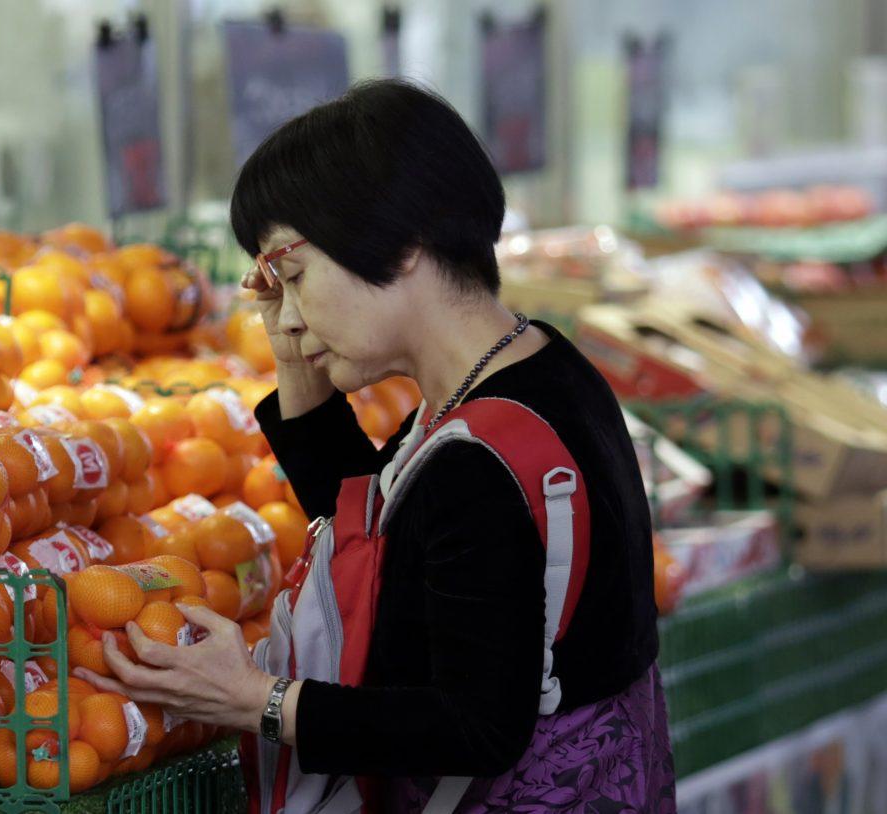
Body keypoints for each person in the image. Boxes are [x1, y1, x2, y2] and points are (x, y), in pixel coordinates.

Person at [81, 79, 675, 812]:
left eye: (293, 276)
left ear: (401, 245)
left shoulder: (480, 459)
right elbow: (379, 528)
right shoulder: (532, 370)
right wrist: (296, 357)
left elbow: (473, 727)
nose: (289, 316)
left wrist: (259, 701)